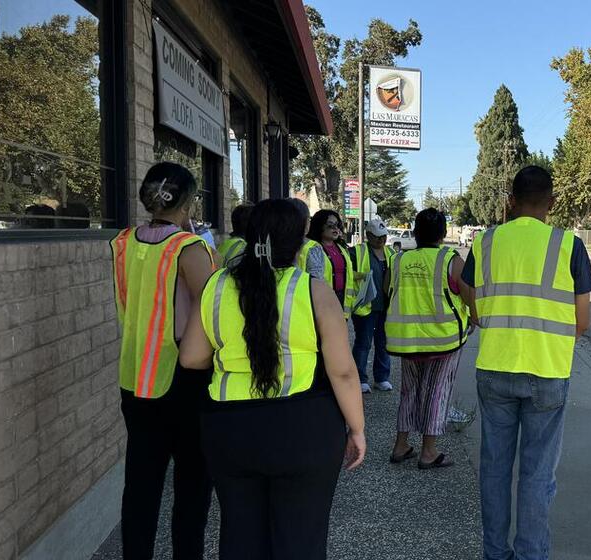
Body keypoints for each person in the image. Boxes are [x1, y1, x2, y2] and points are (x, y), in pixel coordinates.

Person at [179, 198, 366, 559]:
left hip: (229, 431)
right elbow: (342, 371)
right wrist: (356, 429)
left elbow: (191, 357)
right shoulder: (313, 290)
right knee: (301, 539)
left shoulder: (217, 285)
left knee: (240, 535)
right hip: (303, 431)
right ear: (299, 242)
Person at [460, 166, 591, 560]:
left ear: (511, 202)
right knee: (537, 474)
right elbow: (583, 321)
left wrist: (485, 316)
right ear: (552, 204)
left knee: (495, 469)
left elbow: (469, 293)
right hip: (547, 372)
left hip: (495, 366)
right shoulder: (568, 245)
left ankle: (494, 553)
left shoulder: (486, 242)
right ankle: (530, 554)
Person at [109, 162, 215, 560]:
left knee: (140, 484)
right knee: (191, 486)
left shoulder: (122, 243)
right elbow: (213, 309)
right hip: (183, 378)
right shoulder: (189, 248)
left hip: (135, 375)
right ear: (188, 202)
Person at [384, 208, 475, 469]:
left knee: (409, 391)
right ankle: (429, 451)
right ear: (444, 234)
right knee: (437, 391)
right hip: (442, 340)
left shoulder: (399, 259)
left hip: (406, 339)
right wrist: (475, 318)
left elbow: (386, 289)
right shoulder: (451, 260)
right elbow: (469, 295)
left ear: (415, 232)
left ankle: (400, 445)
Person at [351, 218, 395, 393]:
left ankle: (382, 377)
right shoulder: (357, 252)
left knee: (383, 342)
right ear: (368, 235)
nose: (381, 240)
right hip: (365, 306)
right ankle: (360, 378)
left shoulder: (391, 252)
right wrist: (360, 276)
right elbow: (346, 272)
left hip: (386, 306)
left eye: (383, 236)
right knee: (364, 342)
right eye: (377, 237)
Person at [306, 209, 356, 315]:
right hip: (323, 300)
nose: (335, 228)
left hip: (342, 301)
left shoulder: (341, 248)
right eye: (330, 225)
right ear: (320, 226)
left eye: (337, 225)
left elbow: (345, 273)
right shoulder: (314, 249)